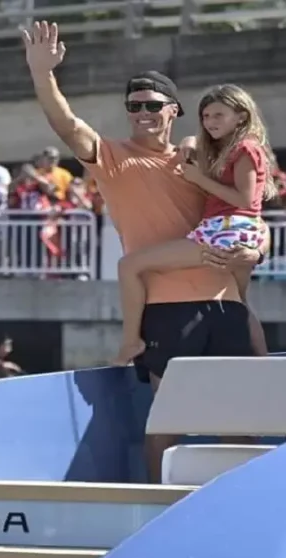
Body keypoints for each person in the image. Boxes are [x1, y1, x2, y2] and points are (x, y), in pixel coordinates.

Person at [22, 22, 270, 482]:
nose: (142, 113)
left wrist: (256, 254)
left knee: (240, 422)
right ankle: (157, 505)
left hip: (226, 303)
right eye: (134, 106)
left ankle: (242, 502)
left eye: (152, 105)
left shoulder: (201, 161)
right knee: (168, 419)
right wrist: (43, 74)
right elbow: (67, 124)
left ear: (174, 110)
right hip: (165, 308)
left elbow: (251, 217)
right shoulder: (113, 156)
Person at [114, 84, 274, 364]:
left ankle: (131, 342)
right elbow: (193, 142)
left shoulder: (246, 149)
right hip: (236, 231)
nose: (210, 122)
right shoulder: (229, 148)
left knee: (129, 265)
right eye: (206, 116)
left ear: (241, 116)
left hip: (225, 230)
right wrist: (190, 143)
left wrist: (199, 179)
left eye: (218, 115)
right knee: (240, 302)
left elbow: (246, 200)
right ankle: (263, 364)